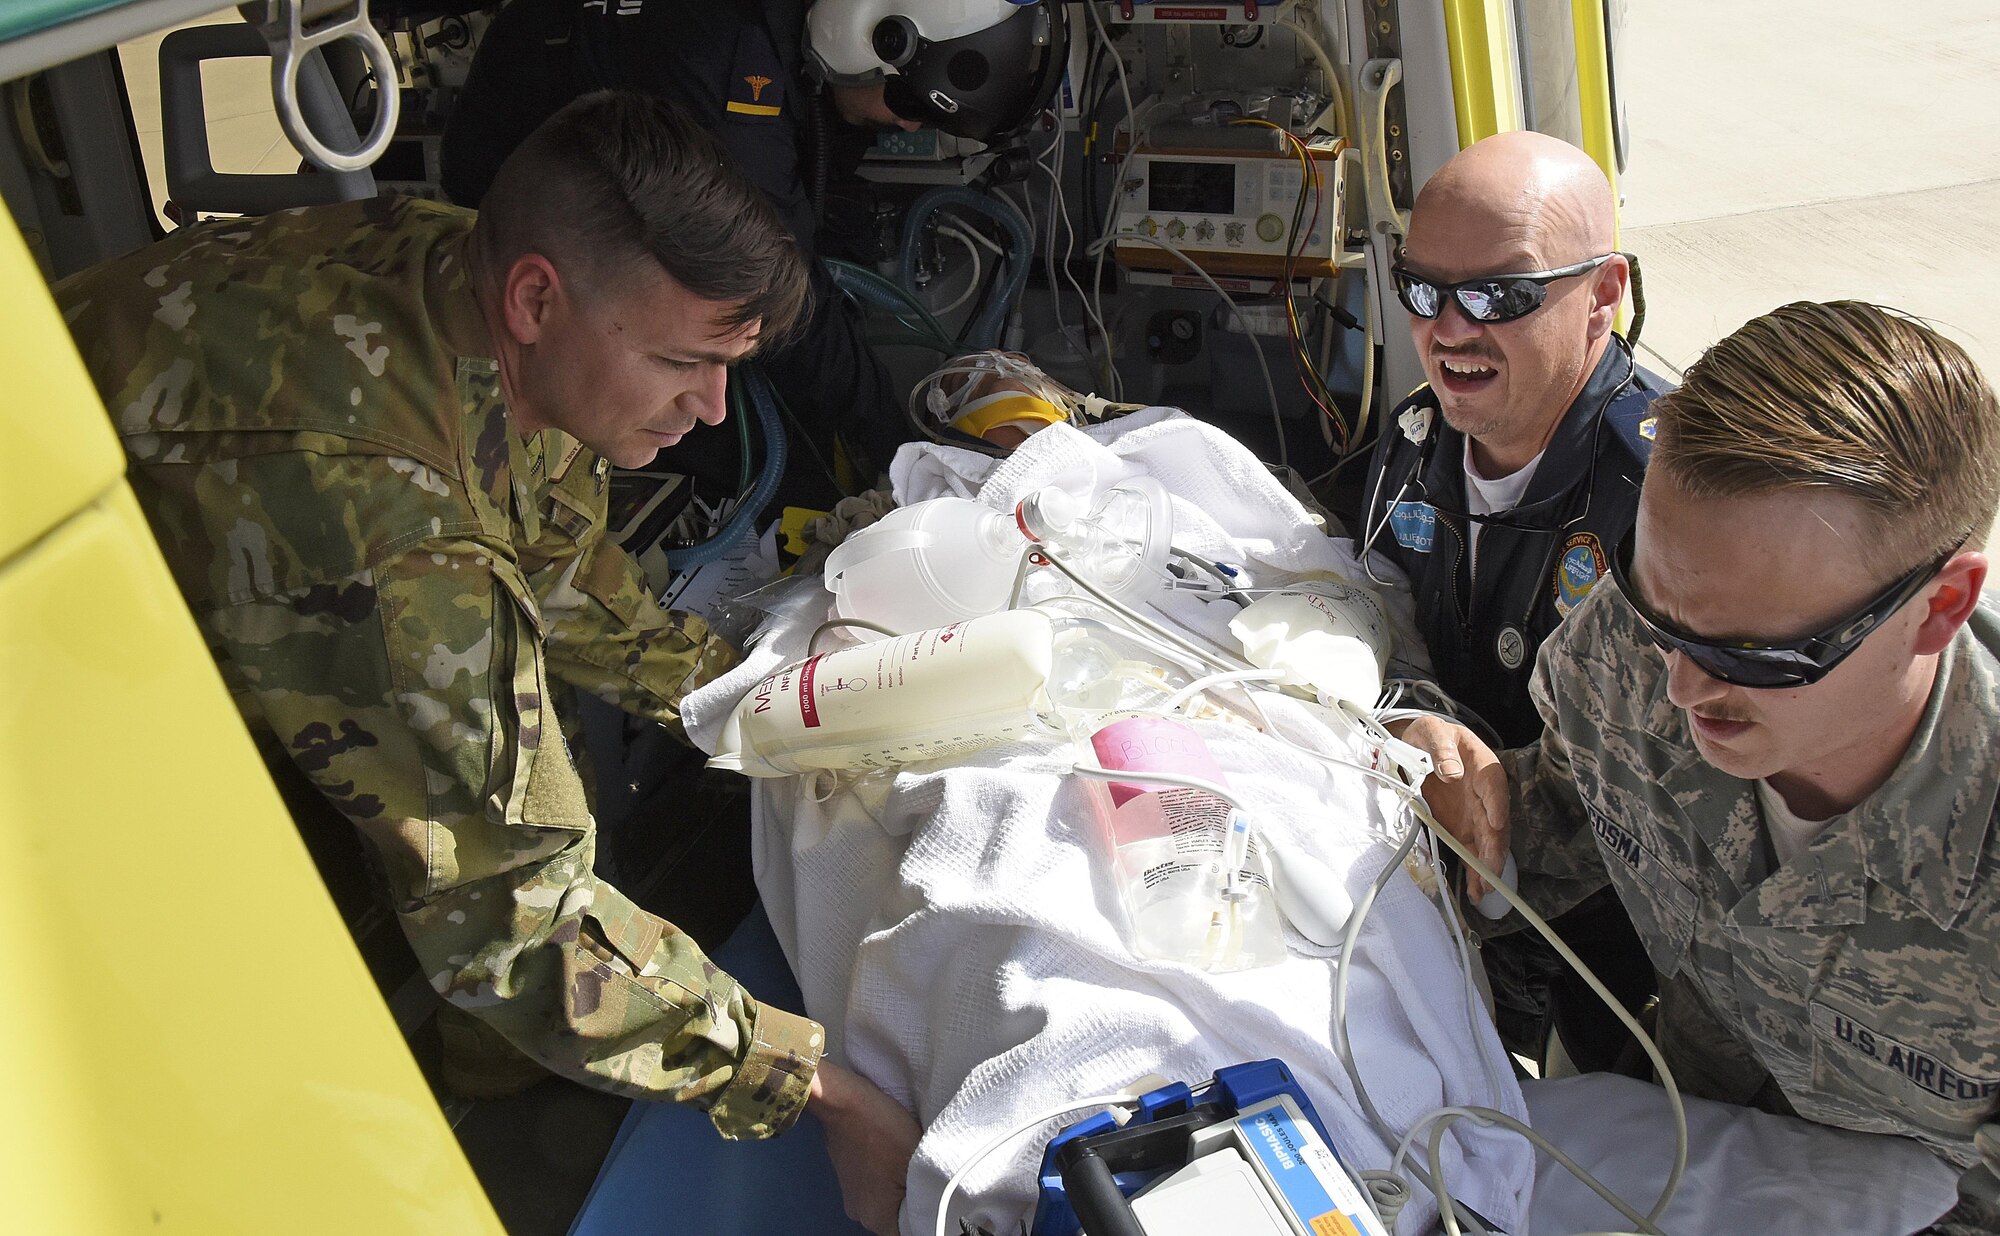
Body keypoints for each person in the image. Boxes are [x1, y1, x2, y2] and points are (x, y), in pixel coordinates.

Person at [56, 91, 918, 1233]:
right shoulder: (392, 532)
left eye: (727, 366)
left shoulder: (468, 285)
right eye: (677, 362)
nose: (710, 411)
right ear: (534, 300)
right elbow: (511, 921)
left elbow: (555, 560)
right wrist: (823, 1094)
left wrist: (771, 708)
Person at [1440, 300, 2000, 1233]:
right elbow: (1544, 830)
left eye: (1755, 655)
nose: (1685, 686)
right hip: (1666, 1146)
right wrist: (1437, 782)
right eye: (1659, 608)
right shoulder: (1644, 645)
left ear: (1941, 606)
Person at [440, 0, 1067, 486]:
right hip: (516, 271)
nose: (907, 125)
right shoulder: (727, 64)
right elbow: (775, 300)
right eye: (908, 101)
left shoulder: (780, 35)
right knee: (741, 449)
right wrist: (899, 446)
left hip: (578, 286)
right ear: (864, 32)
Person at [1359, 129, 1666, 1070]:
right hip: (1461, 883)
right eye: (1422, 289)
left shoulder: (1662, 499)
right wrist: (1414, 720)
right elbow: (1374, 617)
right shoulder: (1415, 442)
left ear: (1602, 295)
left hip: (1620, 937)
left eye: (1498, 295)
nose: (1449, 329)